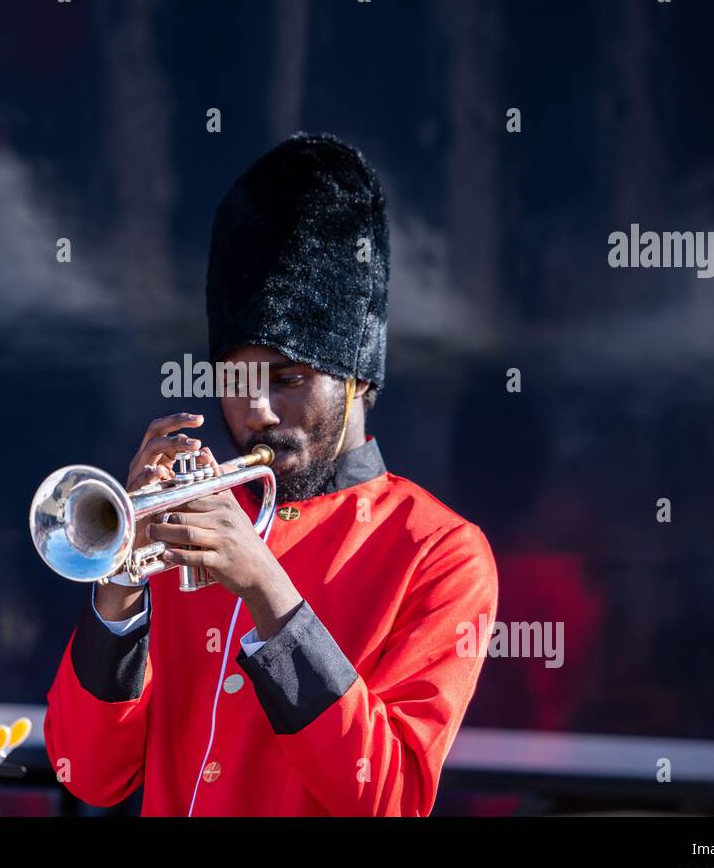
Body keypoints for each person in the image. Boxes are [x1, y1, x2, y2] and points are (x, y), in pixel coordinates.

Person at [44, 132, 498, 815]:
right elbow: (89, 772)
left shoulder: (441, 552)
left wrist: (262, 582)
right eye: (236, 378)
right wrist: (121, 583)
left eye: (287, 377)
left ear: (356, 377)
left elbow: (391, 796)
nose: (254, 409)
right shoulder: (195, 519)